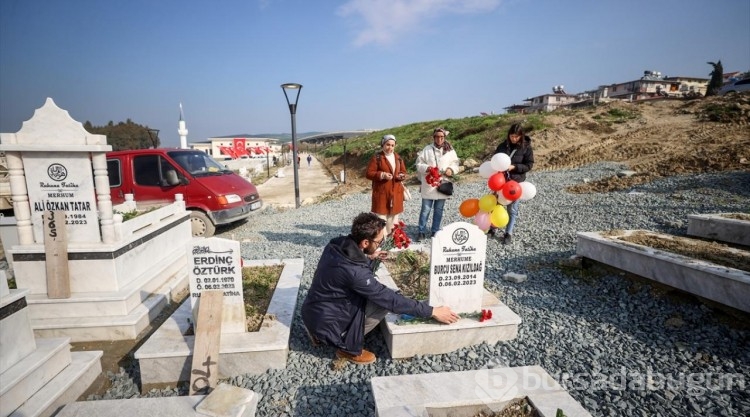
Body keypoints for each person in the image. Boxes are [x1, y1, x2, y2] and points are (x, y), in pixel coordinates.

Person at [301, 212, 459, 365]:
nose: (381, 243)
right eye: (379, 241)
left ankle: (319, 333)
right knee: (382, 304)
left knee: (370, 298)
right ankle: (346, 346)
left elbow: (349, 271)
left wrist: (369, 257)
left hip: (314, 311)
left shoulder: (337, 244)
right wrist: (432, 311)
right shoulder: (356, 274)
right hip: (327, 321)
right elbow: (390, 300)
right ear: (364, 243)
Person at [489, 123, 534, 244]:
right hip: (500, 181)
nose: (514, 139)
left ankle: (508, 233)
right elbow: (495, 160)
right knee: (496, 205)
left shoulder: (526, 148)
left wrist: (514, 167)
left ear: (521, 136)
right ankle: (493, 227)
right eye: (512, 136)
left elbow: (529, 165)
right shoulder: (502, 146)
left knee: (512, 209)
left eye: (516, 136)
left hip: (515, 182)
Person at [415, 128, 460, 241]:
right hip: (429, 184)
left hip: (442, 184)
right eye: (437, 136)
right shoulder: (427, 149)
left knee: (439, 209)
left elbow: (456, 163)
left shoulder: (450, 151)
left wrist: (451, 169)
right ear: (433, 137)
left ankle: (435, 231)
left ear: (444, 137)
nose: (439, 139)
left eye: (441, 137)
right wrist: (427, 168)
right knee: (425, 209)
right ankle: (421, 231)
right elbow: (418, 164)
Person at [365, 134, 407, 234]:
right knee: (381, 217)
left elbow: (404, 171)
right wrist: (382, 175)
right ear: (383, 145)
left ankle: (391, 240)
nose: (390, 147)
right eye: (388, 144)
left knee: (393, 217)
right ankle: (380, 240)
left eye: (392, 145)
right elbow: (368, 173)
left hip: (396, 192)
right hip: (382, 193)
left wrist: (401, 175)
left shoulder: (398, 158)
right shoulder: (377, 158)